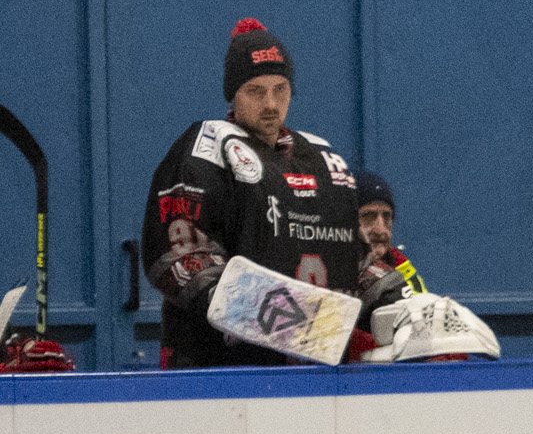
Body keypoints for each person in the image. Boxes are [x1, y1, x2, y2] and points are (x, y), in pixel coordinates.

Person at [141, 19, 367, 368]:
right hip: (217, 371)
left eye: (281, 89)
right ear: (233, 93)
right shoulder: (207, 150)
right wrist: (305, 327)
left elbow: (359, 259)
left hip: (315, 372)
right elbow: (181, 259)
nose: (271, 104)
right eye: (256, 91)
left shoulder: (323, 159)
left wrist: (401, 310)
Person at [353, 173, 426, 305]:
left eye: (386, 216)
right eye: (369, 216)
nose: (380, 230)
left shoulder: (403, 269)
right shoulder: (332, 276)